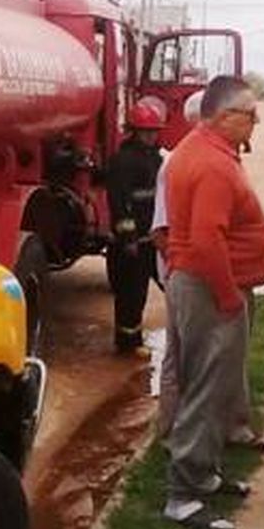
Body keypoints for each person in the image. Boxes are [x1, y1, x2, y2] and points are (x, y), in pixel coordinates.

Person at [162, 76, 264, 529]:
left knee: (216, 385)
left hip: (201, 283)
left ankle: (204, 473)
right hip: (210, 287)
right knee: (208, 388)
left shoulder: (201, 150)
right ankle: (183, 495)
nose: (256, 122)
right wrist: (229, 296)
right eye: (251, 114)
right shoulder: (211, 164)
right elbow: (208, 239)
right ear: (224, 117)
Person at [107, 99, 165, 353]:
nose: (151, 136)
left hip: (152, 238)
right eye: (147, 131)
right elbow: (119, 204)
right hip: (132, 243)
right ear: (135, 130)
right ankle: (127, 343)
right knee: (131, 294)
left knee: (167, 284)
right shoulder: (122, 161)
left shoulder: (156, 158)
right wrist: (128, 238)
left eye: (154, 131)